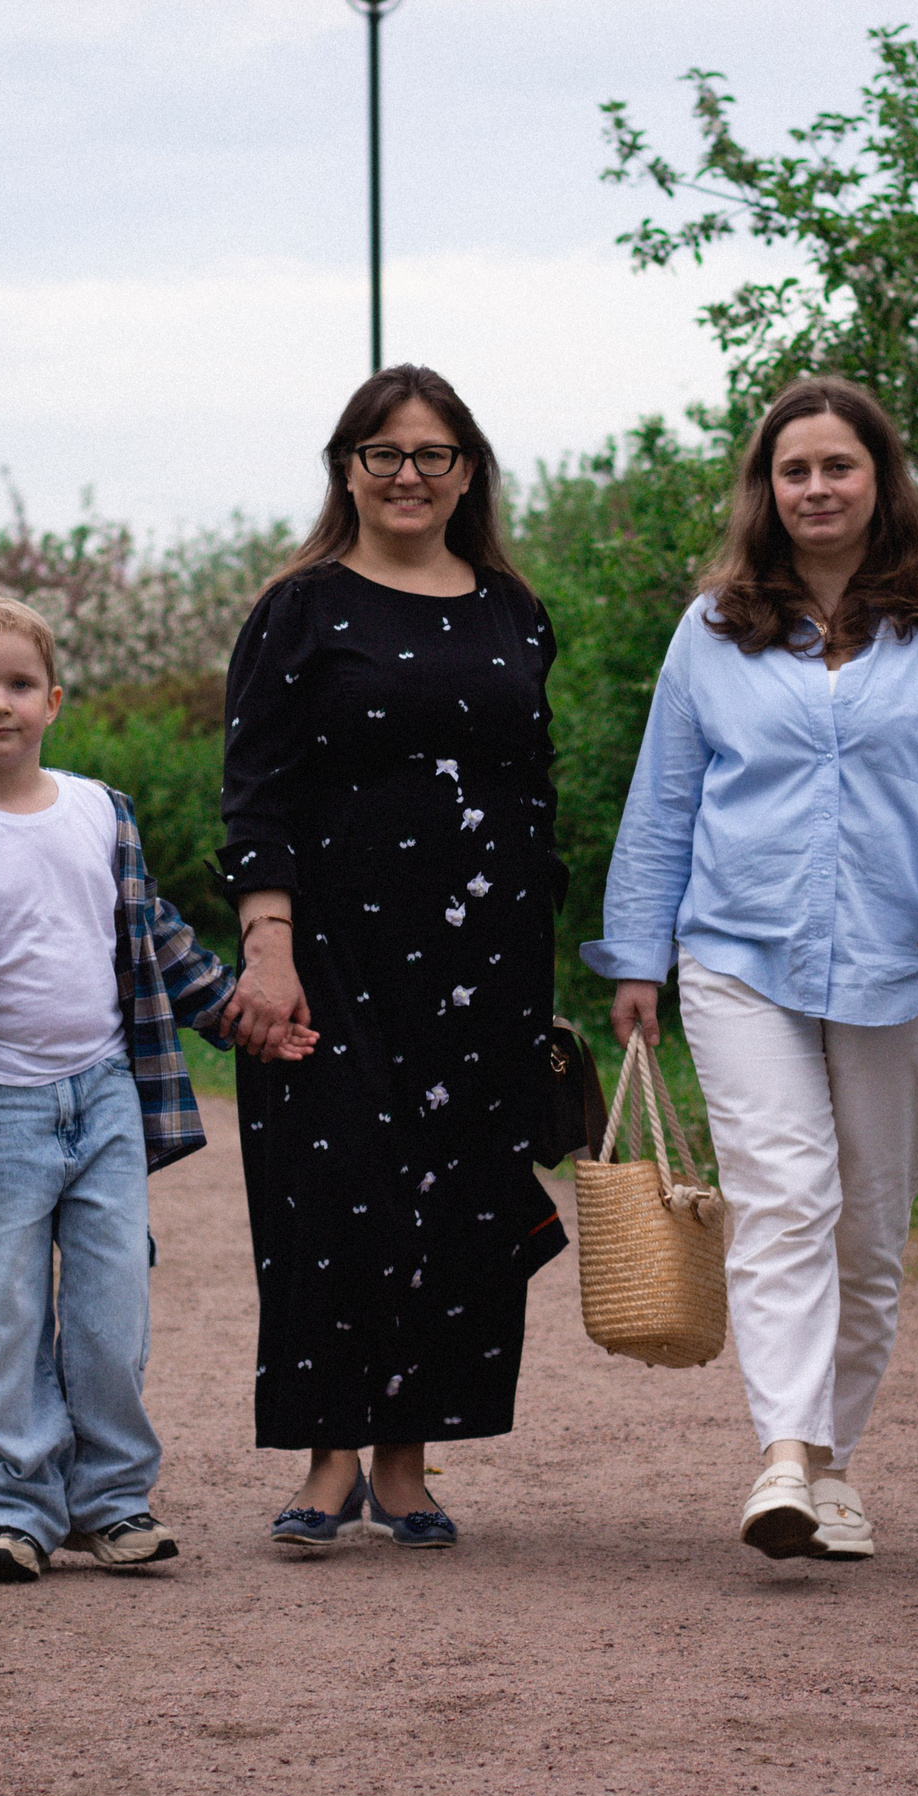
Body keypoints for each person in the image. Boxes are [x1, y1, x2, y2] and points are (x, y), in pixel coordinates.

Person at [586, 376, 918, 1562]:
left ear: (880, 481)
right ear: (764, 490)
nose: (816, 487)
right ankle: (782, 1455)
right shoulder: (711, 629)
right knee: (784, 1195)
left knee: (869, 1229)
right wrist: (636, 954)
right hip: (739, 952)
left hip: (907, 963)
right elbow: (664, 798)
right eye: (794, 470)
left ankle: (831, 1463)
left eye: (838, 466)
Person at [0, 595, 312, 1584]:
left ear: (54, 700)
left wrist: (242, 1015)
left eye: (19, 685)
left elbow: (154, 941)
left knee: (112, 1314)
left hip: (106, 1098)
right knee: (5, 1315)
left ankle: (112, 1502)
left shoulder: (98, 813)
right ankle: (17, 1508)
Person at [217, 363, 567, 1550]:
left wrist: (553, 971)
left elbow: (538, 792)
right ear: (347, 470)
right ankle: (330, 1460)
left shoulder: (514, 609)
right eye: (383, 455)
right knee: (333, 1194)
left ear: (467, 470)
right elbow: (254, 792)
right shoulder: (300, 610)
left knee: (463, 1200)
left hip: (490, 960)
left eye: (431, 455)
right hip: (332, 956)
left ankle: (409, 1464)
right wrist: (268, 949)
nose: (408, 476)